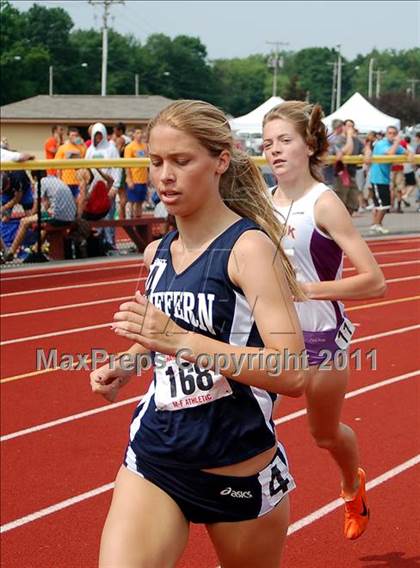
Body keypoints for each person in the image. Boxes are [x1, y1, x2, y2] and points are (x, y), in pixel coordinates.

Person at [90, 100, 308, 568]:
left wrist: (178, 340)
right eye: (156, 162)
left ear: (220, 161)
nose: (165, 175)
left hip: (237, 468)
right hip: (157, 455)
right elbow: (166, 334)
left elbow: (292, 372)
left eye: (182, 161)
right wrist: (129, 361)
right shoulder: (157, 253)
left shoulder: (250, 251)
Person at [262, 101, 386, 541]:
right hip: (269, 334)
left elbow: (375, 282)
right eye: (267, 143)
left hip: (320, 337)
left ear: (309, 145)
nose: (273, 151)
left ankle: (352, 485)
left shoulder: (325, 203)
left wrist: (308, 290)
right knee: (243, 417)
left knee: (324, 434)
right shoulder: (258, 202)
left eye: (284, 141)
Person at [4, 170, 76, 261]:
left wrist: (29, 217)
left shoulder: (40, 183)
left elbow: (35, 208)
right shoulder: (57, 180)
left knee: (24, 222)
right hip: (70, 216)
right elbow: (46, 205)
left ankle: (11, 251)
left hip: (56, 215)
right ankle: (35, 248)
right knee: (44, 224)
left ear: (34, 178)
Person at [85, 123, 121, 253]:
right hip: (94, 189)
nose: (98, 137)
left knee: (109, 216)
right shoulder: (90, 150)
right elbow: (86, 169)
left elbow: (117, 168)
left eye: (100, 135)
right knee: (96, 215)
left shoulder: (111, 149)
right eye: (96, 135)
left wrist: (115, 186)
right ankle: (98, 243)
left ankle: (110, 242)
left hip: (108, 187)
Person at [365, 125, 407, 233]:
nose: (392, 135)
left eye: (394, 133)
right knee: (383, 205)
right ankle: (376, 224)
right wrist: (397, 142)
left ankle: (376, 224)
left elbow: (405, 151)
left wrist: (409, 154)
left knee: (381, 204)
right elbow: (390, 153)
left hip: (385, 178)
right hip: (377, 178)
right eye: (390, 133)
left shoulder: (393, 144)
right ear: (386, 134)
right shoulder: (381, 144)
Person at [124, 128, 149, 218]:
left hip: (143, 179)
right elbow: (127, 165)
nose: (140, 134)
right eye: (138, 133)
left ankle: (138, 219)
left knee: (140, 201)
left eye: (141, 132)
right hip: (134, 179)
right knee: (132, 201)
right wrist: (129, 178)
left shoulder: (145, 146)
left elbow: (147, 163)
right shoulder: (129, 147)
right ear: (133, 135)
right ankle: (130, 219)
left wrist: (148, 178)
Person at [55, 127, 86, 198]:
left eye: (76, 135)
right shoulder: (62, 148)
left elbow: (85, 162)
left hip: (79, 181)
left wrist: (83, 143)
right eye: (72, 135)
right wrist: (59, 181)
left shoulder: (82, 147)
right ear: (68, 136)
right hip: (66, 181)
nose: (74, 137)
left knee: (79, 201)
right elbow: (58, 167)